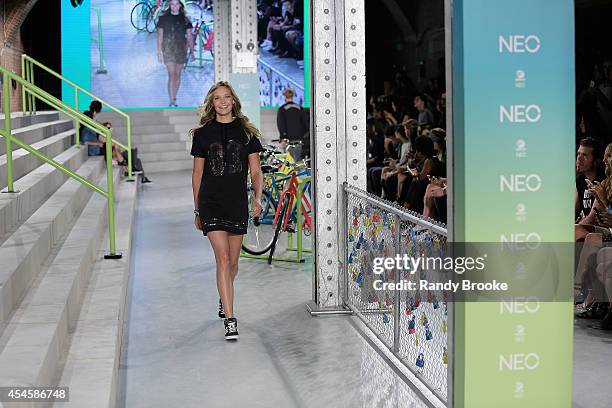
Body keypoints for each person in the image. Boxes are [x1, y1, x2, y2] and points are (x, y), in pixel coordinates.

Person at [190, 81, 264, 340]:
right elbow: (197, 175)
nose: (222, 102)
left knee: (233, 262)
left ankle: (225, 295)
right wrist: (198, 210)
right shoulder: (202, 134)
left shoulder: (246, 133)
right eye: (217, 98)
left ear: (233, 101)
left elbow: (255, 170)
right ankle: (230, 319)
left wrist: (257, 197)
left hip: (236, 204)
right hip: (211, 203)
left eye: (227, 97)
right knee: (222, 259)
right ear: (212, 103)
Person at [157, 0, 194, 107]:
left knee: (178, 75)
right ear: (169, 5)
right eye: (172, 4)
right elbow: (160, 37)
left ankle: (174, 98)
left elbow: (190, 37)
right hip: (168, 49)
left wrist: (192, 52)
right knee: (171, 75)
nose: (175, 6)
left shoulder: (185, 19)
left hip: (181, 49)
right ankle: (172, 100)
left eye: (177, 4)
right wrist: (158, 52)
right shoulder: (163, 19)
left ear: (180, 5)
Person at [576, 138, 605, 221]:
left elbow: (591, 220)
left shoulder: (602, 181)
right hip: (585, 228)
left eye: (584, 155)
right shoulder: (580, 180)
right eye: (578, 154)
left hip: (600, 229)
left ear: (596, 161)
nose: (579, 158)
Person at [276, 87, 309, 159]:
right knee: (298, 160)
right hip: (299, 138)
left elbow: (280, 124)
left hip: (288, 139)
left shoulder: (282, 109)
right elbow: (306, 123)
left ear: (285, 96)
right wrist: (304, 135)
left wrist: (283, 136)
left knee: (290, 160)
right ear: (293, 96)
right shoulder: (300, 108)